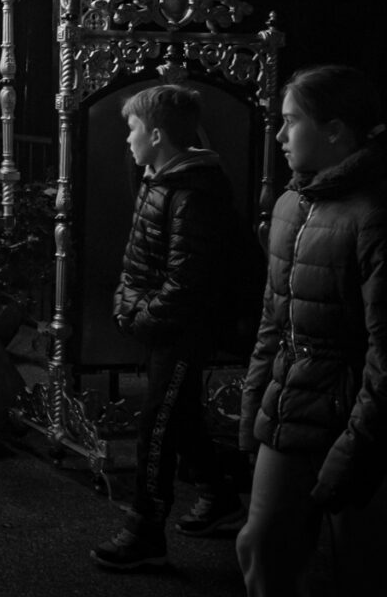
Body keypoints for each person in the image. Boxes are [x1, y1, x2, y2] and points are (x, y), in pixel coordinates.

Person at [236, 65, 387, 597]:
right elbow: (272, 322)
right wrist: (255, 403)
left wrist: (354, 449)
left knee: (363, 568)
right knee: (261, 548)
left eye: (290, 122)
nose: (278, 136)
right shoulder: (287, 206)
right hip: (292, 405)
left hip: (360, 418)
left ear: (335, 131)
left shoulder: (374, 213)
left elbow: (385, 355)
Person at [91, 83, 246, 571]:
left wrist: (140, 315)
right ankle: (220, 498)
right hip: (167, 324)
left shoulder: (192, 191)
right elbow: (144, 263)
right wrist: (127, 301)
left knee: (157, 424)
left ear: (156, 134)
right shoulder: (163, 179)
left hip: (183, 329)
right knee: (179, 415)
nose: (128, 139)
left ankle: (145, 528)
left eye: (133, 129)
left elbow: (187, 279)